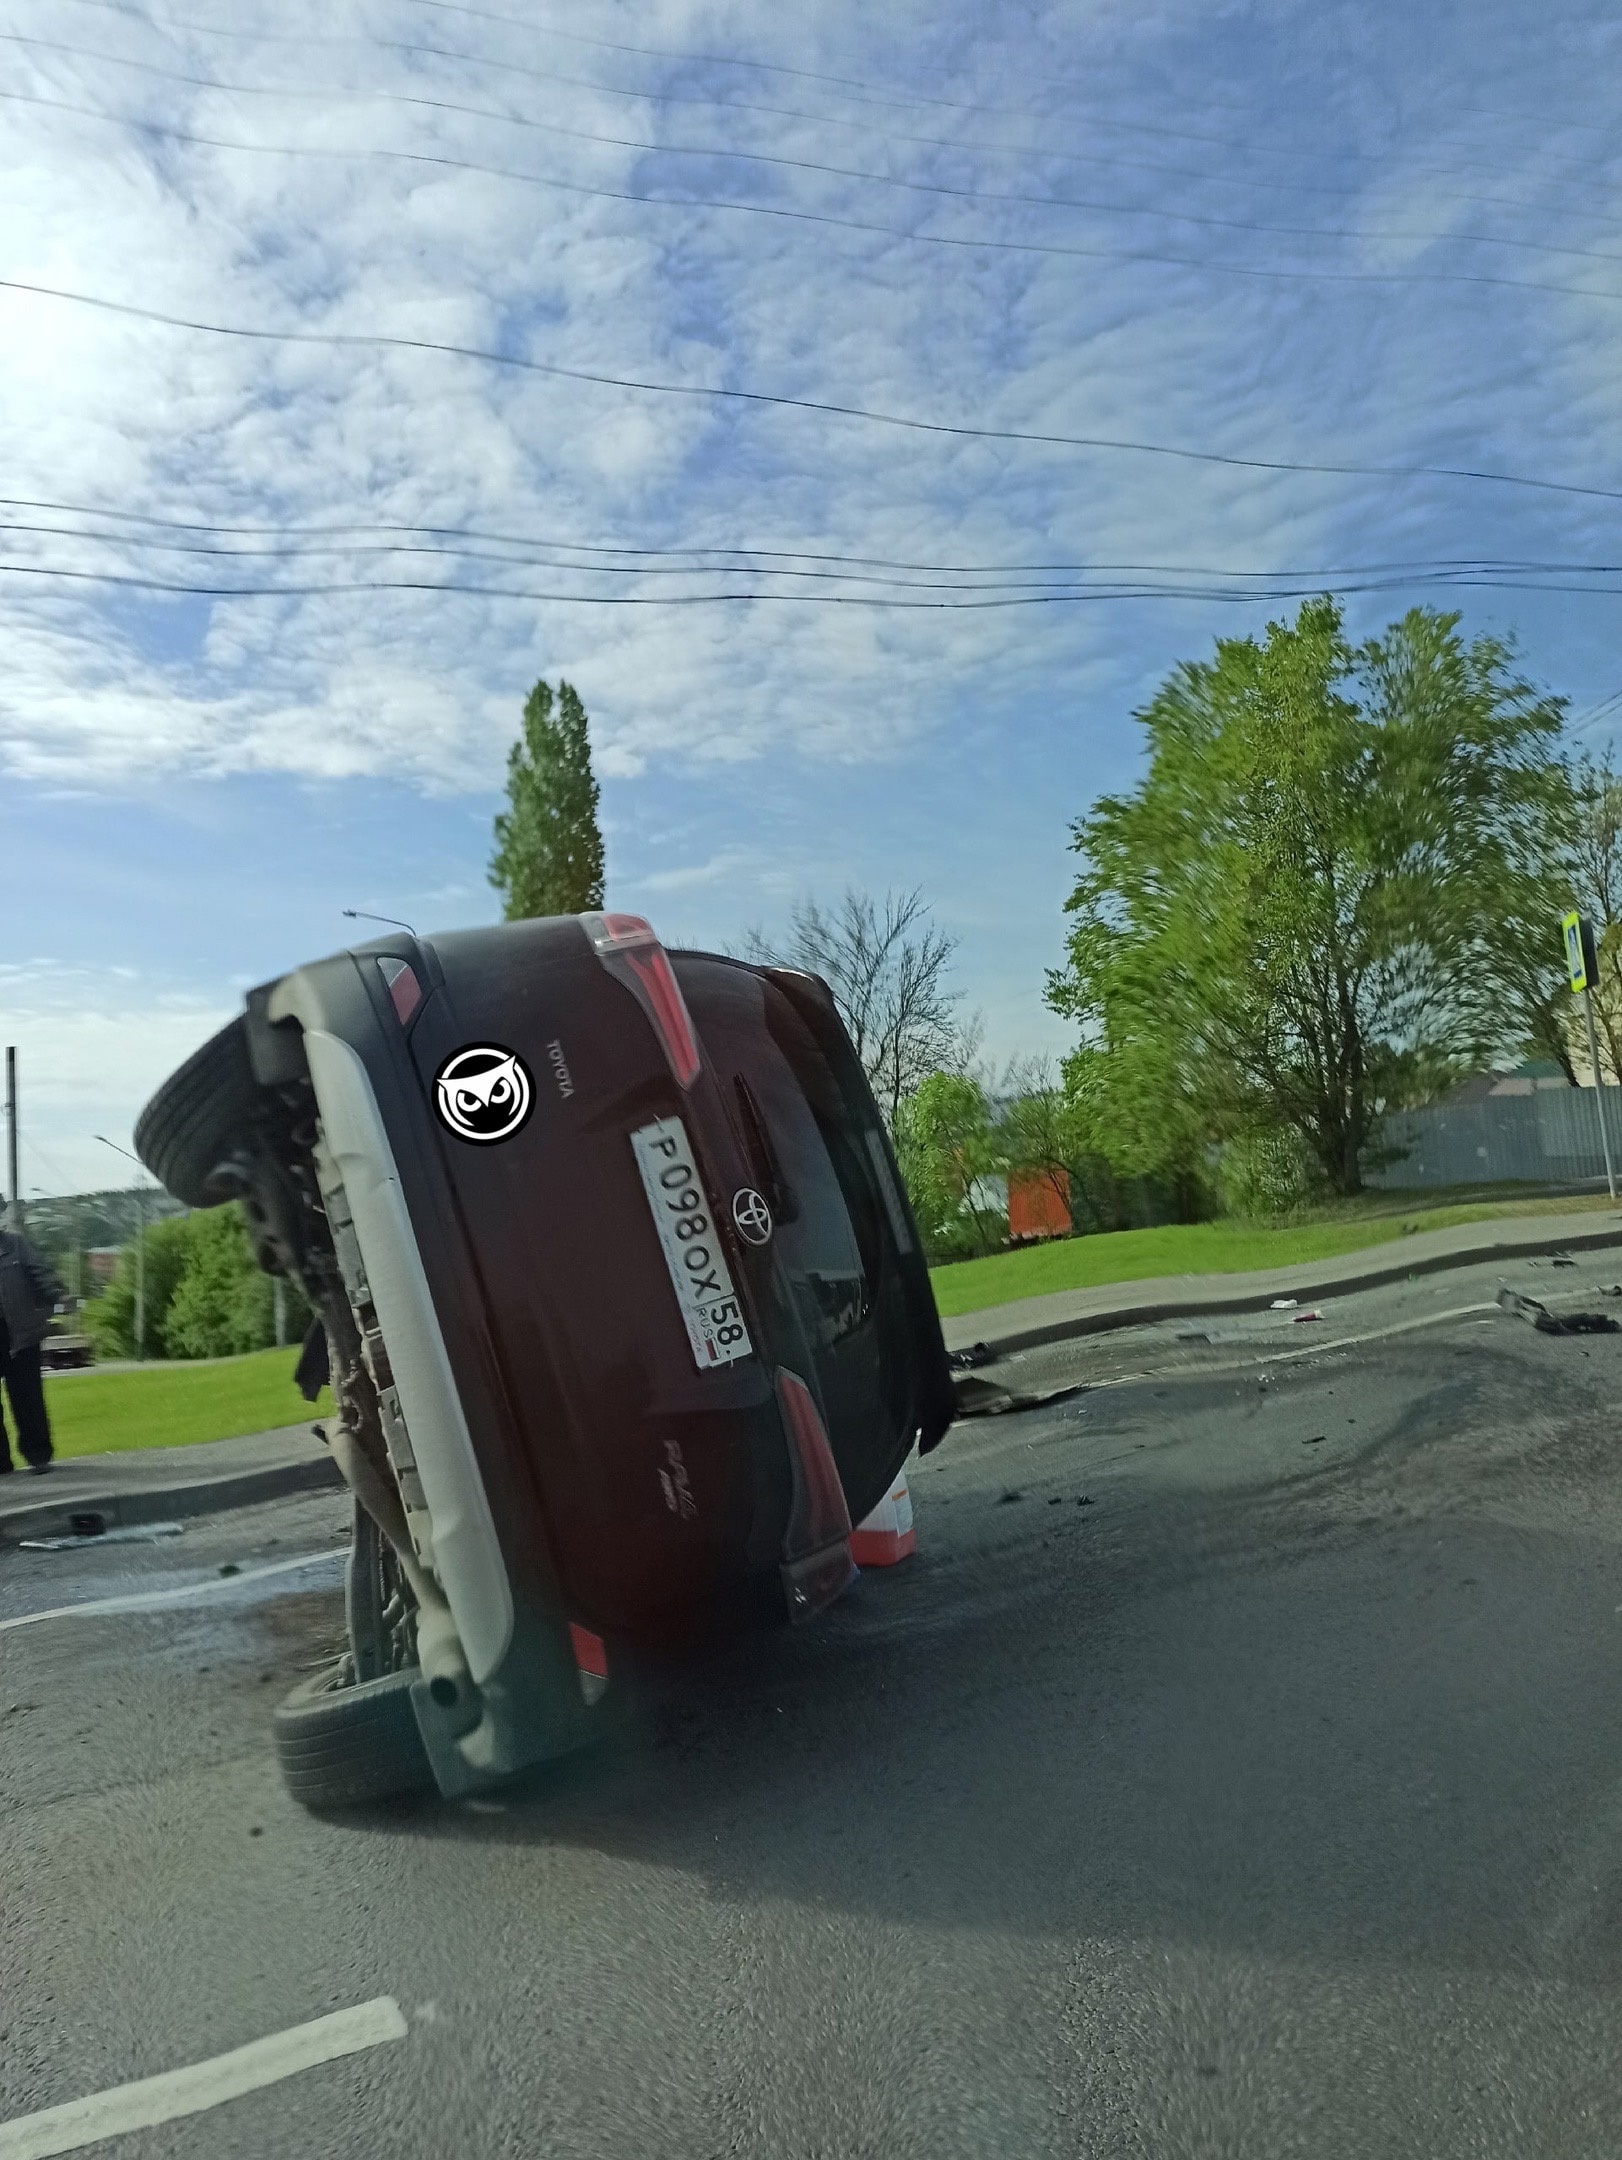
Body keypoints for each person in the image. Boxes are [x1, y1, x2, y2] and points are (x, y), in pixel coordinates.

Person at [0, 1209, 65, 1474]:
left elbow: (41, 1273)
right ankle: (1, 1464)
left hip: (20, 1333)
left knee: (28, 1398)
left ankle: (38, 1456)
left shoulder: (16, 1245)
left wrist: (57, 1296)